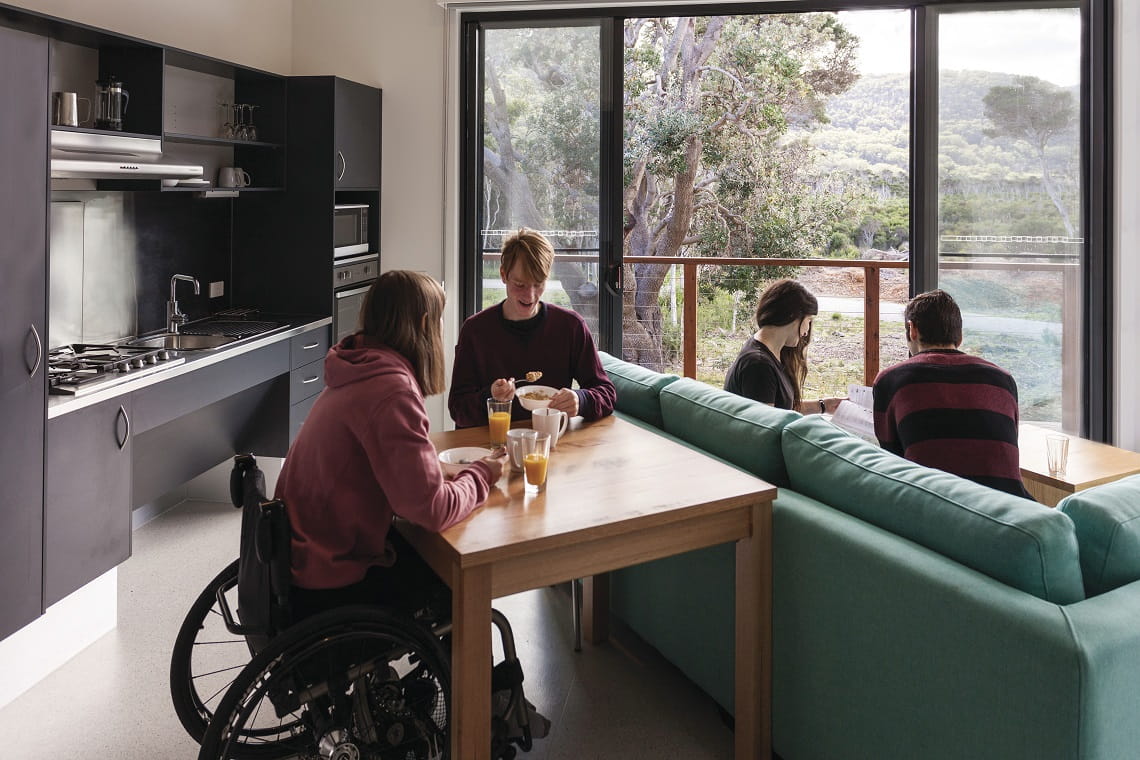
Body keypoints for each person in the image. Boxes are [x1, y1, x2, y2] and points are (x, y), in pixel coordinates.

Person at [276, 270, 508, 623]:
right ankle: (472, 678)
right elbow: (433, 510)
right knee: (460, 576)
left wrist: (441, 470)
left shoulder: (357, 368)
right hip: (331, 579)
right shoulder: (392, 391)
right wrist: (482, 474)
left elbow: (377, 463)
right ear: (426, 324)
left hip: (300, 556)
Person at [872, 288, 1033, 499]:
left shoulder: (891, 380)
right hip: (1011, 508)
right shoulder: (1003, 380)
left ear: (912, 330)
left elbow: (892, 464)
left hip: (936, 507)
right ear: (960, 335)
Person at [448, 228, 617, 427]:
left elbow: (606, 393)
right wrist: (491, 397)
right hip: (490, 447)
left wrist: (581, 400)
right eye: (520, 284)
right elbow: (458, 409)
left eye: (538, 284)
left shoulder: (570, 327)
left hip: (550, 442)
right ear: (503, 275)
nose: (530, 296)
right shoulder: (475, 331)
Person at [723, 278, 843, 415]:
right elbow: (765, 428)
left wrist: (824, 406)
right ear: (792, 316)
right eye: (808, 320)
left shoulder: (770, 350)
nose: (807, 331)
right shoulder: (759, 365)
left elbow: (780, 410)